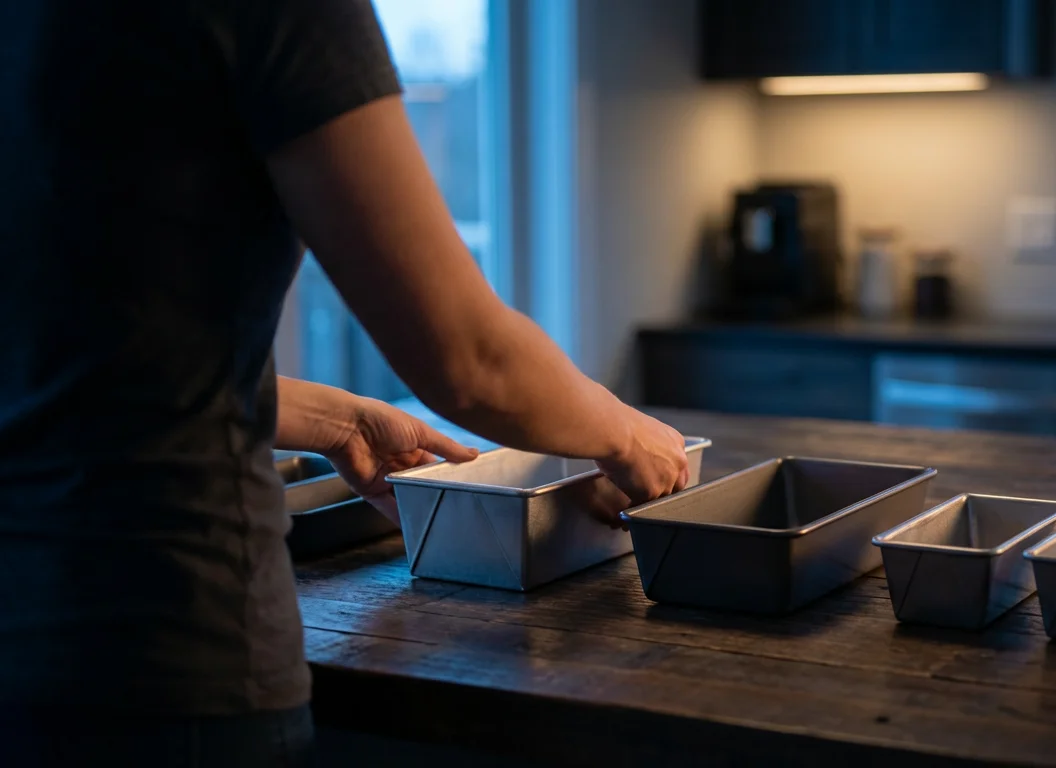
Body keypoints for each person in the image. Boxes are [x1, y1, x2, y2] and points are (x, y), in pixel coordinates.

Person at [0, 0, 689, 764]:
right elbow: (469, 359)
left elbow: (87, 356)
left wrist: (339, 422)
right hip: (158, 652)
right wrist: (624, 431)